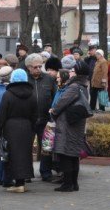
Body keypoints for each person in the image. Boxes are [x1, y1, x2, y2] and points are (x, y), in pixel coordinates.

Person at [51, 61, 91, 192]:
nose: (70, 72)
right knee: (73, 155)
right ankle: (74, 183)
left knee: (66, 154)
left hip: (68, 123)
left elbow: (62, 102)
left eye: (73, 70)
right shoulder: (83, 84)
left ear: (78, 73)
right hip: (77, 122)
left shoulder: (74, 86)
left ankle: (67, 184)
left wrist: (54, 111)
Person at [0, 69, 37, 193]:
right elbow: (35, 115)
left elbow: (2, 114)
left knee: (12, 154)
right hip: (26, 127)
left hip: (10, 127)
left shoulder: (8, 94)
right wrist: (32, 128)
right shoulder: (32, 94)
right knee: (25, 154)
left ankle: (14, 182)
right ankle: (22, 182)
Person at [25, 54, 57, 182]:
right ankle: (27, 173)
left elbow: (55, 97)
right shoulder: (24, 79)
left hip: (45, 120)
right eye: (35, 67)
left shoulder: (49, 79)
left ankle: (45, 172)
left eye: (40, 66)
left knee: (46, 147)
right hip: (28, 120)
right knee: (26, 147)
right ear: (28, 68)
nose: (38, 69)